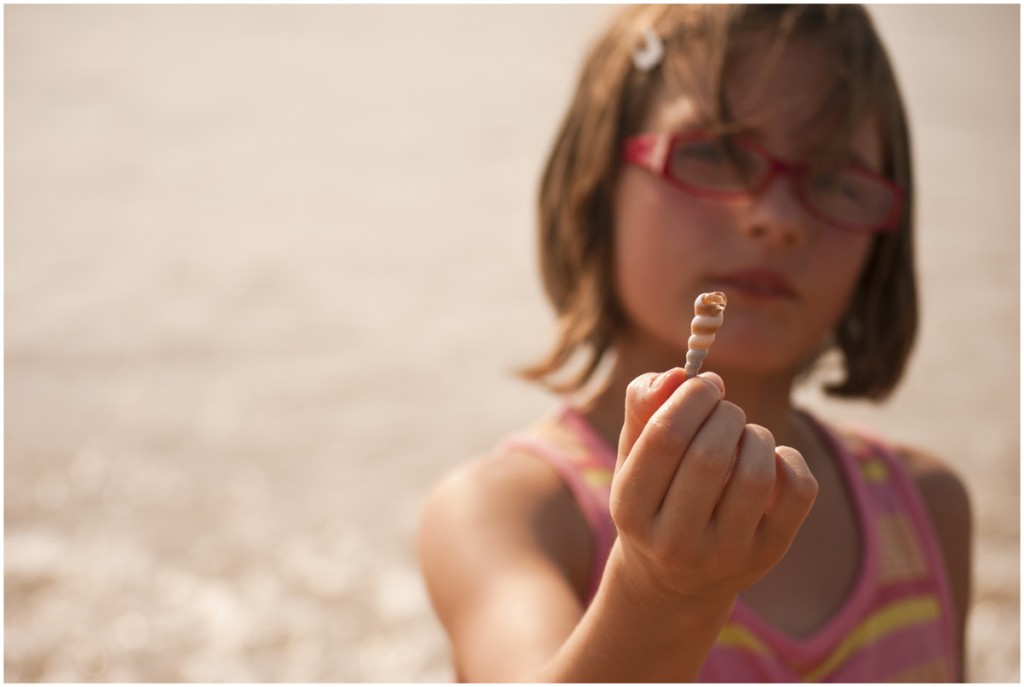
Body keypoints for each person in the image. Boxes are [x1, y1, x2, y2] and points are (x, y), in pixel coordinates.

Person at [418, 4, 971, 682]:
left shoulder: (926, 510)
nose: (775, 218)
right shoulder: (511, 510)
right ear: (596, 184)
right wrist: (661, 588)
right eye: (712, 152)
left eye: (832, 178)